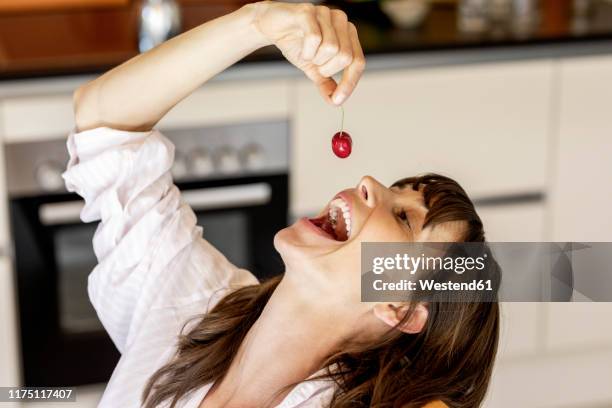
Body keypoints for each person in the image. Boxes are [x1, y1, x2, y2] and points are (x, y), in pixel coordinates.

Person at [64, 2, 499, 407]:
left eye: (404, 218)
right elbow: (103, 125)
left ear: (397, 309)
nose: (369, 182)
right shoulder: (194, 306)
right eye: (395, 188)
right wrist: (256, 22)